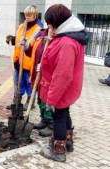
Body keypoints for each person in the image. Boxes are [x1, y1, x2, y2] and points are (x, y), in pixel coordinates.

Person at [39, 4, 89, 162]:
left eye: (50, 23)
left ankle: (57, 150)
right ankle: (68, 143)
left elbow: (62, 75)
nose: (49, 26)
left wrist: (52, 99)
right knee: (64, 114)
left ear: (57, 21)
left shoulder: (66, 42)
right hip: (67, 88)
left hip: (61, 88)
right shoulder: (69, 35)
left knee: (58, 117)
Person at [6, 5, 43, 111]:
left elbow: (37, 46)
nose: (27, 17)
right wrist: (11, 39)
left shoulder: (39, 29)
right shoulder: (22, 26)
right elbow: (17, 41)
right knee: (18, 82)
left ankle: (30, 102)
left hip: (29, 63)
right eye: (26, 14)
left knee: (29, 83)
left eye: (30, 15)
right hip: (18, 61)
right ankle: (16, 100)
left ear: (35, 15)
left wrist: (26, 44)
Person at [27, 29, 54, 137]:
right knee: (40, 98)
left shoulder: (57, 37)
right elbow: (33, 51)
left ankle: (51, 125)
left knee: (46, 99)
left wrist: (44, 64)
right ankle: (43, 120)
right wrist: (27, 47)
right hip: (37, 72)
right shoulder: (41, 34)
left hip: (48, 74)